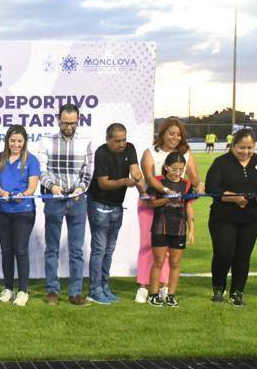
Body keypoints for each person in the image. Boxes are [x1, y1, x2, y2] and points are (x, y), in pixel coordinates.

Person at [205, 127, 257, 306]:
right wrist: (233, 198)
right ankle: (218, 288)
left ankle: (237, 293)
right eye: (241, 148)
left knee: (243, 256)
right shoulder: (221, 162)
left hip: (251, 219)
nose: (245, 152)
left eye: (249, 148)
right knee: (224, 252)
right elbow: (211, 188)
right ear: (233, 146)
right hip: (223, 218)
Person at [136, 117, 202, 303]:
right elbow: (149, 177)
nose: (175, 137)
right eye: (171, 133)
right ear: (163, 133)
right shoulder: (151, 152)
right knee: (148, 245)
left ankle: (164, 286)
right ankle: (143, 286)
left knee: (168, 250)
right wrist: (165, 190)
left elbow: (194, 177)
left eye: (178, 134)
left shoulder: (186, 154)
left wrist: (200, 186)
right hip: (152, 202)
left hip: (174, 209)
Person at [39, 103, 94, 306]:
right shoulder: (47, 140)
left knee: (76, 249)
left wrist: (81, 188)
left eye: (73, 123)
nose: (69, 127)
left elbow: (89, 170)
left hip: (78, 200)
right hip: (54, 200)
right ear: (58, 120)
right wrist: (52, 187)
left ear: (78, 120)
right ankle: (52, 290)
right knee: (51, 247)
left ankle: (75, 293)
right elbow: (42, 169)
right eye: (65, 123)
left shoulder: (86, 141)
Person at [85, 123, 143, 305]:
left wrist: (137, 175)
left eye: (124, 139)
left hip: (117, 205)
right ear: (107, 139)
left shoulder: (130, 148)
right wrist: (125, 181)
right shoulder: (101, 153)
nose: (121, 144)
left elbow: (135, 169)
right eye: (117, 140)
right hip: (99, 203)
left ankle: (104, 285)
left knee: (109, 250)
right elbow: (103, 183)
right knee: (99, 249)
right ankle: (94, 290)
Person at [0, 125, 40, 307]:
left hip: (23, 211)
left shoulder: (31, 160)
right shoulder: (0, 159)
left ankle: (23, 291)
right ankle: (8, 288)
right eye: (13, 140)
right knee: (6, 251)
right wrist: (1, 191)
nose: (16, 144)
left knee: (20, 250)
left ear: (25, 141)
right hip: (1, 210)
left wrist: (24, 195)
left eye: (20, 141)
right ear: (7, 141)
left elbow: (32, 187)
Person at [144, 152, 195, 307]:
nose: (177, 173)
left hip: (178, 229)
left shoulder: (186, 184)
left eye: (181, 170)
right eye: (174, 170)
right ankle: (153, 294)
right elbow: (150, 204)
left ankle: (171, 295)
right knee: (158, 261)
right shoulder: (158, 182)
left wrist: (191, 229)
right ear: (166, 167)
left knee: (175, 262)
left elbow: (189, 207)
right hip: (160, 226)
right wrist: (167, 199)